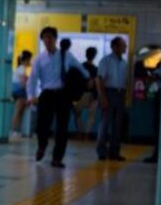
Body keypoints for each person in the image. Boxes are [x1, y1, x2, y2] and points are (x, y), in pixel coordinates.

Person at [27, 27, 89, 168]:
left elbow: (80, 68)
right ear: (42, 40)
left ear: (55, 39)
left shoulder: (66, 55)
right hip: (46, 94)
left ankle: (57, 158)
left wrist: (88, 78)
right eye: (45, 38)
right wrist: (31, 96)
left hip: (63, 95)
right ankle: (42, 145)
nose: (48, 40)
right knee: (42, 126)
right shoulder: (39, 59)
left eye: (51, 37)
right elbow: (32, 79)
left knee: (62, 128)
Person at [96, 37, 129, 160]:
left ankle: (114, 152)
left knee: (117, 125)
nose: (125, 47)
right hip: (109, 92)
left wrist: (125, 97)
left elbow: (125, 81)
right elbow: (99, 79)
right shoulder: (106, 61)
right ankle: (101, 151)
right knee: (105, 123)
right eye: (123, 45)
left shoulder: (124, 63)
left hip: (120, 94)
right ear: (115, 47)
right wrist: (103, 97)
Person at [72, 47, 100, 139]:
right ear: (94, 56)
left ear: (86, 54)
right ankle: (87, 134)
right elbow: (97, 83)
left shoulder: (80, 67)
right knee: (91, 116)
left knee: (77, 113)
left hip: (82, 94)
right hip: (94, 95)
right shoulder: (96, 69)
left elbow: (76, 82)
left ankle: (80, 132)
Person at [10, 50, 34, 138]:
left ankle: (16, 130)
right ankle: (13, 130)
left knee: (19, 112)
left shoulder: (20, 68)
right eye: (30, 60)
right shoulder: (22, 69)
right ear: (26, 60)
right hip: (19, 93)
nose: (30, 62)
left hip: (19, 92)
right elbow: (24, 83)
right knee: (18, 112)